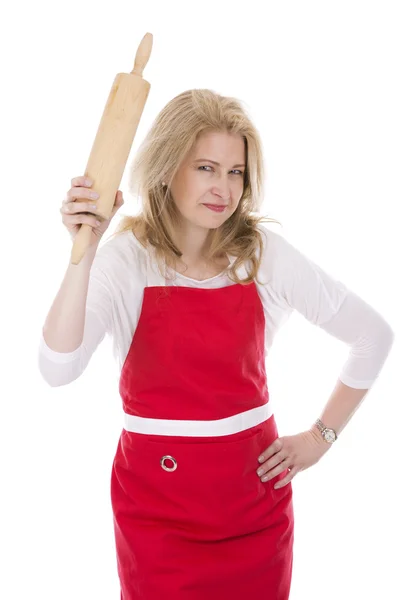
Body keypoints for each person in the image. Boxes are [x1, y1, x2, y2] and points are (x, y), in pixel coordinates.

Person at [38, 89, 394, 599]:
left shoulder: (262, 254)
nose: (223, 189)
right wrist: (84, 254)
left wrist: (320, 439)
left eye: (235, 172)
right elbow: (58, 367)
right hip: (155, 518)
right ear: (166, 167)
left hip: (255, 513)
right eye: (205, 167)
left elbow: (372, 336)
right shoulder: (125, 261)